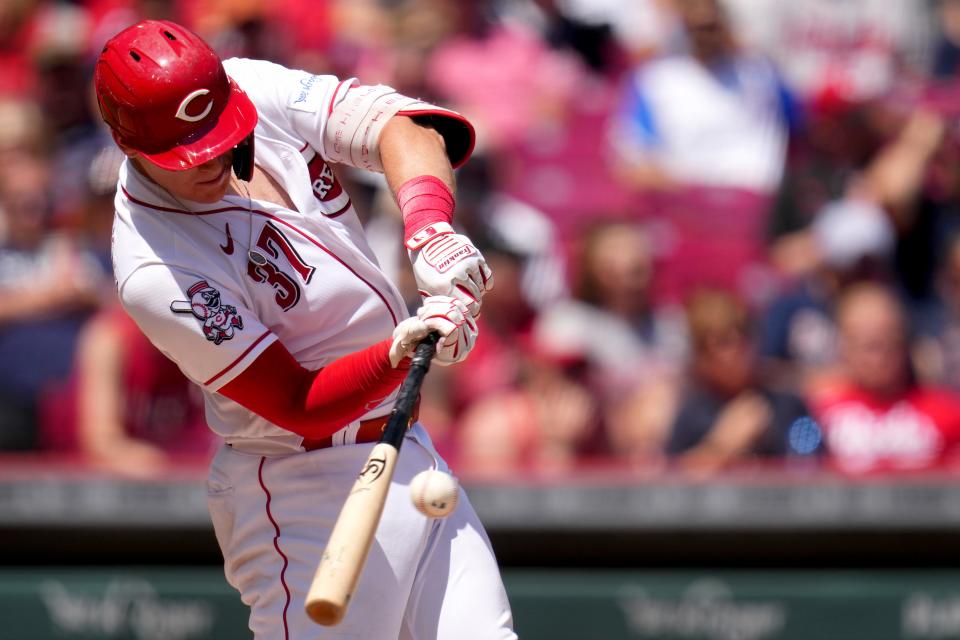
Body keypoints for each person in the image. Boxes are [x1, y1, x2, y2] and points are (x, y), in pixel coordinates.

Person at [93, 20, 513, 640]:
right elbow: (298, 405)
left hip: (408, 447)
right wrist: (402, 351)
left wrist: (430, 229)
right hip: (298, 488)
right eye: (190, 150)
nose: (211, 154)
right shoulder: (156, 265)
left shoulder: (248, 84)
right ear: (129, 145)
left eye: (218, 134)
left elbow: (403, 128)